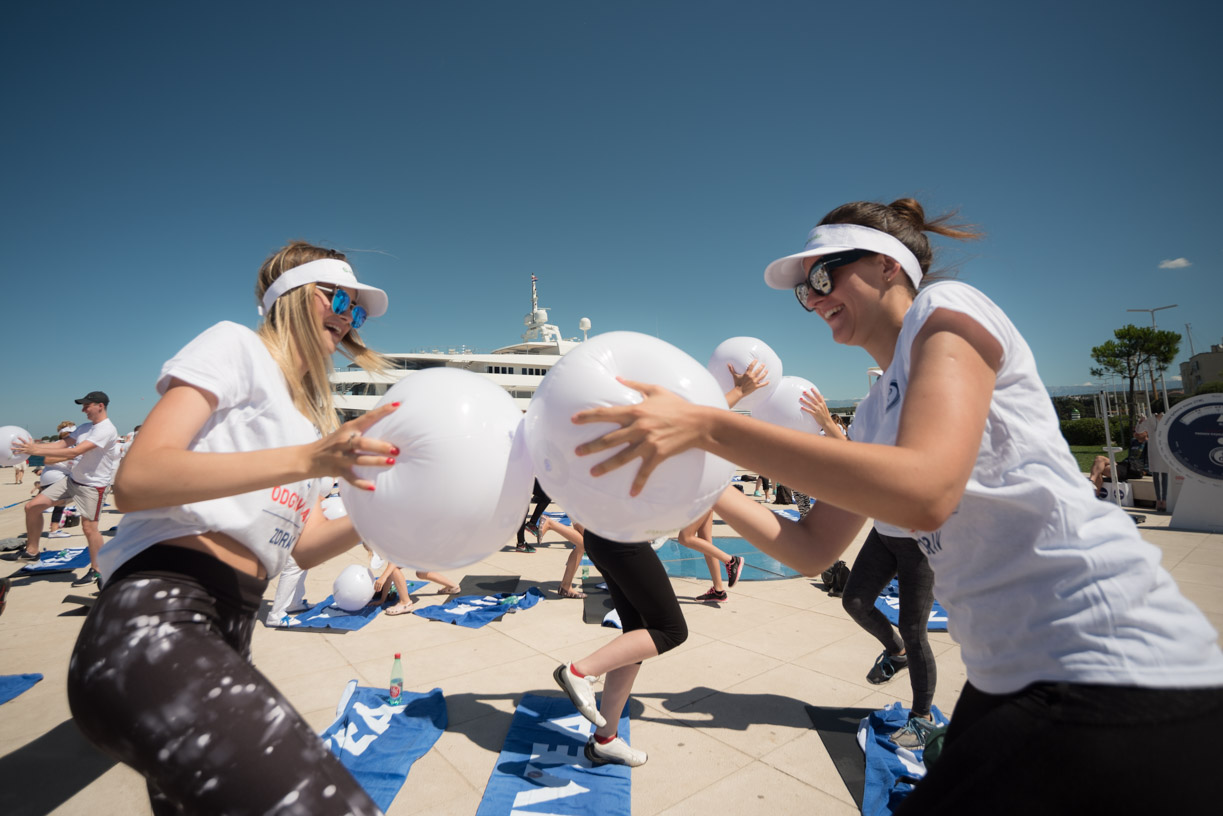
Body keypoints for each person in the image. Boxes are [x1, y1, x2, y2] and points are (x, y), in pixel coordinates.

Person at [572, 198, 1223, 812]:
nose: (813, 299)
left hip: (1111, 662)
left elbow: (927, 490)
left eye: (823, 276)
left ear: (889, 265)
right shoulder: (875, 414)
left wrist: (707, 427)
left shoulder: (945, 307)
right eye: (804, 292)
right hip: (1010, 673)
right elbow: (811, 546)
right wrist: (698, 475)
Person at [65, 241, 399, 815]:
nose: (348, 316)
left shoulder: (312, 419)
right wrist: (309, 460)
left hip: (230, 630)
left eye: (358, 311)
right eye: (340, 298)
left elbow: (306, 545)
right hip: (156, 620)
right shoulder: (237, 345)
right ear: (291, 298)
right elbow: (138, 478)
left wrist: (393, 508)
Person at [13, 392, 121, 584]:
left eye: (87, 405)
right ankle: (32, 551)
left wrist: (35, 451)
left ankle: (98, 570)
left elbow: (77, 451)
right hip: (72, 480)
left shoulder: (106, 429)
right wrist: (33, 446)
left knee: (89, 528)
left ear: (100, 406)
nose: (83, 409)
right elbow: (62, 443)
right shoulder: (85, 427)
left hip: (93, 486)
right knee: (32, 507)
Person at [1138, 412, 1169, 511]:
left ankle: (1164, 500)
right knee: (1155, 475)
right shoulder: (1150, 420)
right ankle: (1158, 499)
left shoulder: (1168, 418)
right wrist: (1140, 422)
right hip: (1154, 450)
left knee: (1165, 474)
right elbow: (1139, 430)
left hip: (1165, 449)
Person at [517, 478, 551, 553]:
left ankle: (532, 524)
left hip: (526, 477)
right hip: (519, 478)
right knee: (524, 508)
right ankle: (521, 543)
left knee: (546, 497)